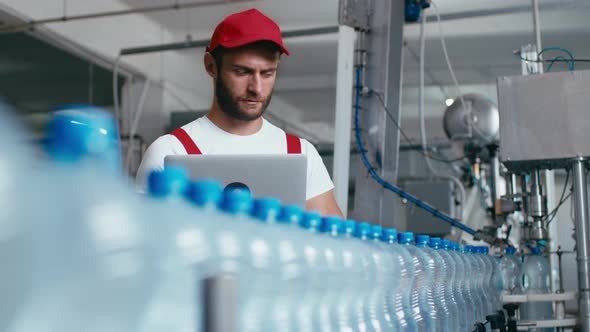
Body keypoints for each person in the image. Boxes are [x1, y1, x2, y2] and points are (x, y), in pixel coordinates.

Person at [136, 8, 343, 217]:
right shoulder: (170, 152)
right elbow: (145, 240)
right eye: (242, 72)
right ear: (211, 66)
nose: (257, 88)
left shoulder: (300, 153)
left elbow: (333, 241)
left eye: (267, 73)